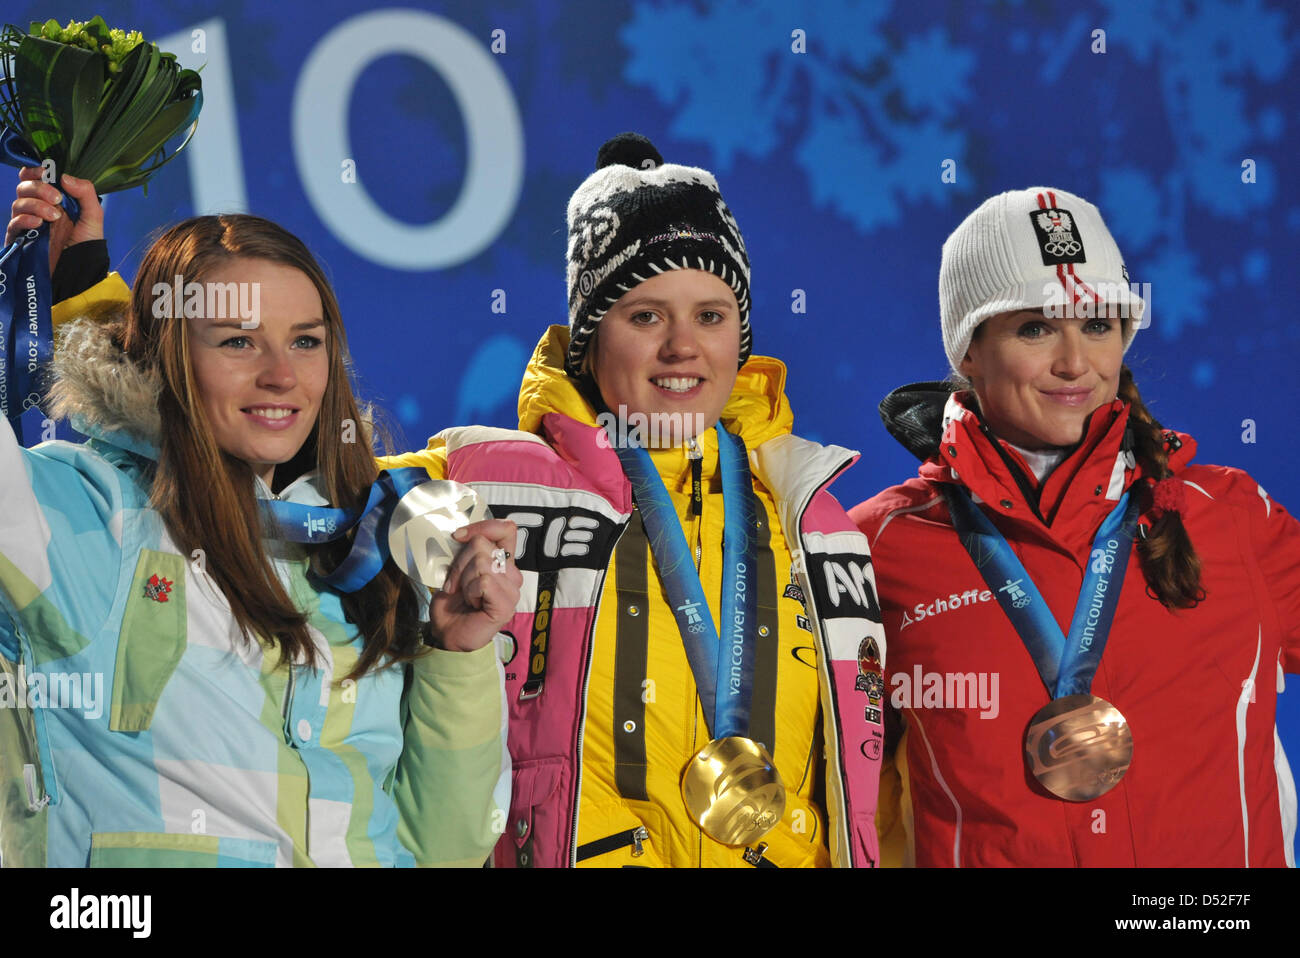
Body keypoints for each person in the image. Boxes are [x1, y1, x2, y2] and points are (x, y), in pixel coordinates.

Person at [381, 133, 887, 868]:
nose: (683, 347)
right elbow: (299, 492)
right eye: (646, 316)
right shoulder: (491, 478)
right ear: (589, 339)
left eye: (711, 316)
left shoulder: (811, 516)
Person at [1, 170, 517, 867]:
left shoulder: (361, 552)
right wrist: (34, 294)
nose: (282, 375)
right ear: (167, 355)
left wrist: (457, 653)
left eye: (305, 341)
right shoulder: (79, 513)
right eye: (237, 342)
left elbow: (443, 850)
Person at [850, 186, 1299, 867]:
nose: (1074, 363)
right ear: (969, 350)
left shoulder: (1231, 515)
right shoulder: (879, 547)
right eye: (1036, 328)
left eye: (1097, 326)